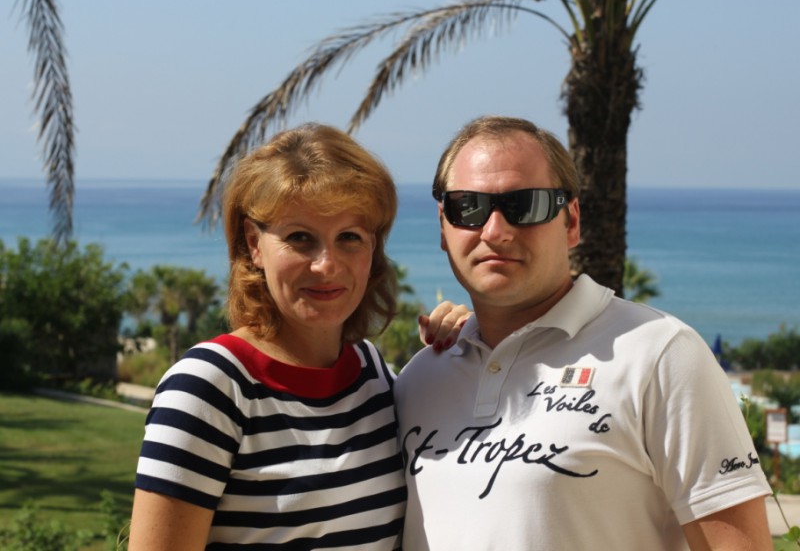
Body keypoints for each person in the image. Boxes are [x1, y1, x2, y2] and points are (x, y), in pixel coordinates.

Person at [394, 115, 773, 550]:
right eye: (469, 207)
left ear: (571, 221)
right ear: (444, 226)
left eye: (526, 205)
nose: (495, 231)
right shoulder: (419, 380)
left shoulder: (660, 354)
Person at [129, 123, 467, 550]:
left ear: (373, 248)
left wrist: (468, 344)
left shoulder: (372, 373)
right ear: (254, 243)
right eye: (300, 238)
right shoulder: (208, 388)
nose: (326, 265)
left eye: (349, 237)